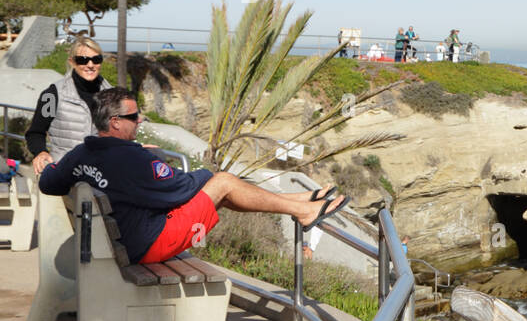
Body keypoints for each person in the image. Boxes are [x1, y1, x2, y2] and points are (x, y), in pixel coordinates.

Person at [38, 88, 349, 266]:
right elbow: (181, 190)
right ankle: (303, 210)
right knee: (224, 183)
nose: (141, 119)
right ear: (116, 123)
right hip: (147, 245)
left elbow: (48, 182)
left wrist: (52, 163)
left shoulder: (82, 153)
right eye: (134, 116)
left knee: (222, 192)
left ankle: (297, 200)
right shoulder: (132, 159)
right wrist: (198, 172)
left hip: (113, 243)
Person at [27, 34, 113, 175]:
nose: (90, 65)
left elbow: (121, 135)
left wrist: (136, 148)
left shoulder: (112, 95)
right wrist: (40, 152)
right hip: (64, 173)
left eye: (96, 59)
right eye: (82, 60)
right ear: (72, 62)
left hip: (101, 173)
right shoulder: (52, 94)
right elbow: (35, 132)